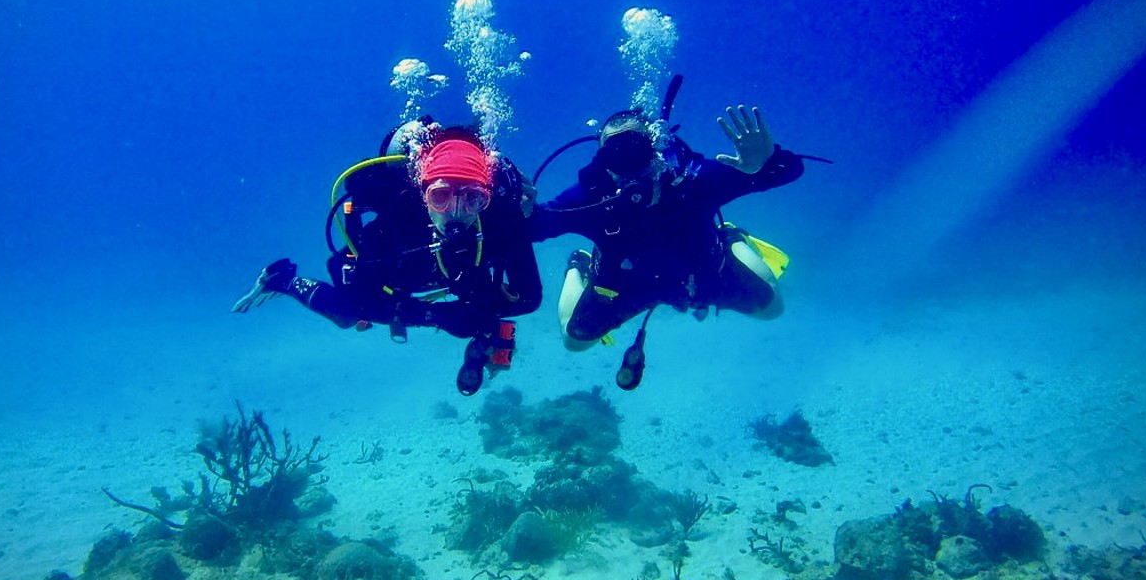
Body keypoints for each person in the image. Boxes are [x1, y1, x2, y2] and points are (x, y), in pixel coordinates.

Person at [233, 121, 542, 397]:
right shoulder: (397, 224)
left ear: (487, 199)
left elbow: (529, 297)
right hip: (398, 275)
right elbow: (362, 301)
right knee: (347, 315)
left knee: (485, 304)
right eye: (440, 196)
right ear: (422, 194)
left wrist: (479, 312)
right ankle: (281, 278)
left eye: (473, 198)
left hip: (451, 275)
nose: (455, 213)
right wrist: (436, 316)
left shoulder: (501, 221)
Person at [529, 102, 809, 389]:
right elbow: (534, 226)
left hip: (700, 275)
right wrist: (518, 205)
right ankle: (579, 265)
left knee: (772, 308)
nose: (629, 166)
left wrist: (764, 163)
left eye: (636, 150)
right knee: (574, 341)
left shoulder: (695, 182)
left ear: (656, 149)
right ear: (603, 164)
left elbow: (790, 171)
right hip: (625, 286)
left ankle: (731, 238)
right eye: (615, 155)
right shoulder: (590, 199)